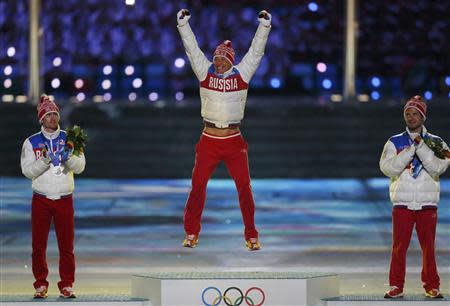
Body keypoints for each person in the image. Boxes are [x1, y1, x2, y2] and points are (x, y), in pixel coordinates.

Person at [176, 8, 271, 251]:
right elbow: (192, 49)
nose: (217, 63)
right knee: (197, 187)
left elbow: (256, 51)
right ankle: (191, 233)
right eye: (216, 59)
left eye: (222, 59)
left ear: (230, 60)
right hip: (208, 139)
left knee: (244, 188)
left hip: (233, 140)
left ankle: (251, 234)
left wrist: (264, 27)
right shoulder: (204, 71)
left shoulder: (242, 73)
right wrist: (183, 25)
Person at [379, 95, 449, 299]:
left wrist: (421, 146)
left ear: (423, 116)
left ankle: (431, 285)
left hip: (427, 204)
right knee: (398, 247)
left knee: (429, 248)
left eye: (415, 113)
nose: (410, 117)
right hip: (403, 203)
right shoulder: (394, 142)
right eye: (407, 114)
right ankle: (396, 286)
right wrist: (410, 151)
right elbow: (387, 168)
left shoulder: (437, 142)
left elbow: (439, 166)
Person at [20, 95, 86, 299]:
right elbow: (27, 171)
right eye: (48, 114)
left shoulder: (71, 138)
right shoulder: (31, 142)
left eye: (55, 114)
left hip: (65, 199)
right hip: (41, 199)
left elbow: (81, 166)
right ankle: (40, 283)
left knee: (67, 245)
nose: (52, 118)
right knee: (38, 245)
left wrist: (69, 159)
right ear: (41, 118)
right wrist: (46, 160)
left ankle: (67, 284)